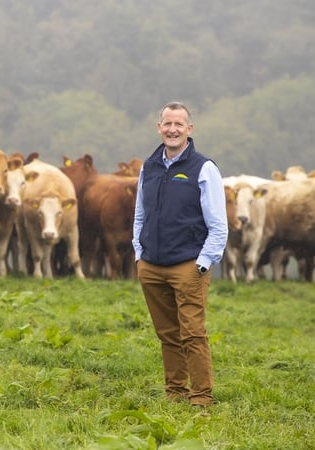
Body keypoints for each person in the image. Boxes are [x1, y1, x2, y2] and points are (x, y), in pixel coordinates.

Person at [132, 101, 228, 408]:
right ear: (159, 127)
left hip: (188, 265)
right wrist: (139, 252)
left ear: (189, 129)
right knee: (167, 334)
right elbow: (140, 214)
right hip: (151, 265)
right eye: (167, 124)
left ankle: (201, 398)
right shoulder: (149, 166)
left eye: (179, 124)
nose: (172, 130)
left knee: (192, 334)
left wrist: (202, 263)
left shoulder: (203, 168)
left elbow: (218, 225)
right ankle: (175, 393)